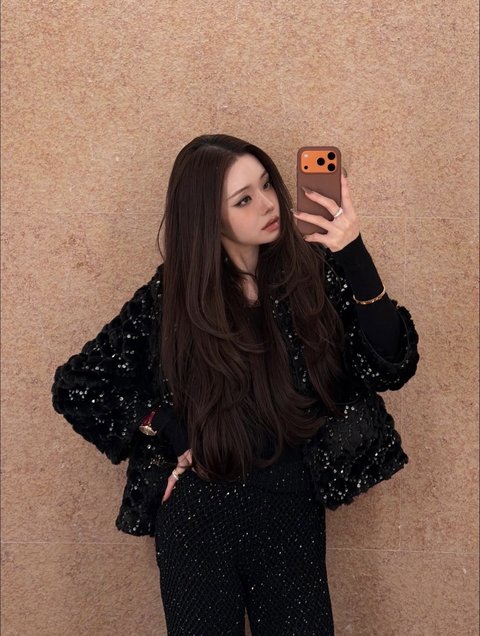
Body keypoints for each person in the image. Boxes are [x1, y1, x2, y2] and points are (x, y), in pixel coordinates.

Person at [51, 134, 419, 635]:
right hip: (198, 512)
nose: (267, 204)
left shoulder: (312, 272)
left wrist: (354, 254)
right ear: (209, 217)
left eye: (266, 184)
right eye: (243, 200)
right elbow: (77, 384)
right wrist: (169, 427)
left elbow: (391, 366)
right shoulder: (172, 296)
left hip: (290, 509)